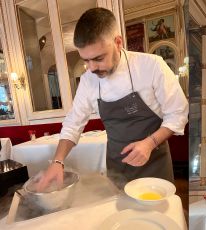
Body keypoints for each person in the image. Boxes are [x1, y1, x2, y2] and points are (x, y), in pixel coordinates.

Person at [37, 8, 188, 190]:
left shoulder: (151, 66)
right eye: (86, 60)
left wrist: (150, 143)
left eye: (98, 58)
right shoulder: (88, 81)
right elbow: (73, 124)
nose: (92, 68)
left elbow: (178, 113)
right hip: (117, 166)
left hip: (154, 163)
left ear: (118, 42)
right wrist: (57, 161)